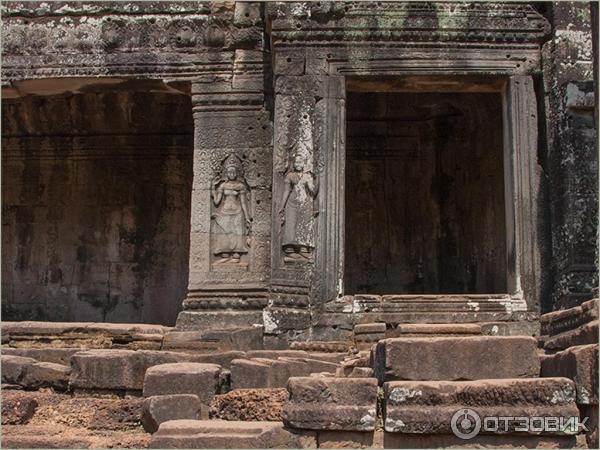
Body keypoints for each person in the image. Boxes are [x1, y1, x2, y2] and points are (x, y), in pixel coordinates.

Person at [211, 155, 251, 264]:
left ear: (237, 173)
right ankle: (225, 255)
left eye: (233, 172)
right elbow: (216, 202)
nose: (231, 174)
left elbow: (243, 202)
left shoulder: (240, 186)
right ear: (226, 173)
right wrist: (213, 187)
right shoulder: (223, 186)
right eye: (229, 172)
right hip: (224, 212)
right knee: (224, 234)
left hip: (237, 212)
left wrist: (247, 217)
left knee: (237, 234)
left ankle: (236, 257)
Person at [279, 154, 318, 262]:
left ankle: (303, 249)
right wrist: (282, 206)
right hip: (291, 203)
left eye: (300, 162)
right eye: (296, 162)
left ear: (304, 163)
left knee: (304, 225)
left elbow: (313, 191)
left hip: (305, 203)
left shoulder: (307, 176)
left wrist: (314, 179)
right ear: (293, 164)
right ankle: (290, 249)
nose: (298, 164)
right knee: (290, 225)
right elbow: (286, 191)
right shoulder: (290, 175)